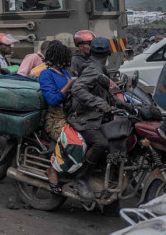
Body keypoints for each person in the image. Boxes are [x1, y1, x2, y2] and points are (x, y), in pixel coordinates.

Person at [66, 36, 122, 200]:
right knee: (101, 143)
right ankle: (81, 178)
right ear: (109, 53)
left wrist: (121, 103)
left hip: (94, 114)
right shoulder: (94, 69)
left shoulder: (97, 67)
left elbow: (103, 90)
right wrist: (100, 104)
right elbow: (78, 88)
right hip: (83, 117)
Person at [38, 41, 75, 192]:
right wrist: (69, 85)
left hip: (70, 115)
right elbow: (52, 100)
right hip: (55, 119)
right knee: (75, 139)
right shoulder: (46, 74)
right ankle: (52, 169)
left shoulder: (64, 72)